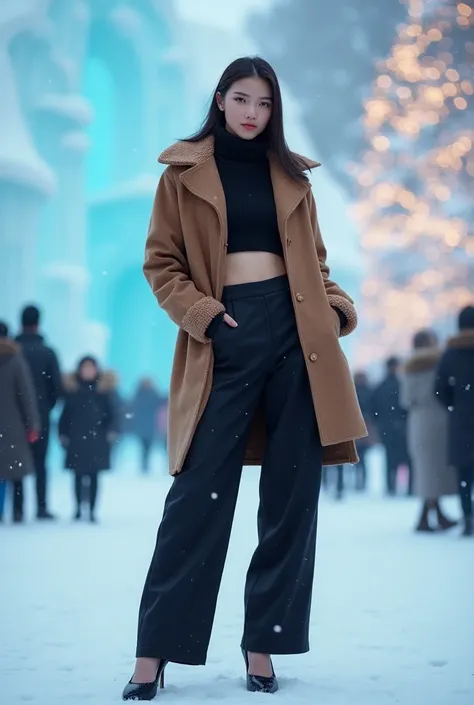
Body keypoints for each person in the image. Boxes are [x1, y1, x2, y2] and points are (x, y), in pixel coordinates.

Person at [122, 56, 367, 700]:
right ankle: (154, 654)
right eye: (241, 99)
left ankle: (264, 645)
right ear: (221, 100)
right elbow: (161, 263)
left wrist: (336, 307)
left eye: (263, 102)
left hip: (296, 337)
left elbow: (314, 262)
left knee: (291, 497)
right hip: (224, 335)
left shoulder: (292, 176)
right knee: (197, 497)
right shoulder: (183, 173)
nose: (252, 113)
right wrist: (202, 315)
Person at [400, 330, 458, 532]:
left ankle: (428, 516)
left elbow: (405, 400)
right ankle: (431, 516)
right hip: (441, 419)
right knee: (436, 471)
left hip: (419, 422)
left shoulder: (410, 367)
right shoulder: (442, 363)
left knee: (425, 471)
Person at [59, 356, 119, 523]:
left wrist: (111, 431)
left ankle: (92, 510)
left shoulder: (103, 392)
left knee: (94, 476)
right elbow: (65, 416)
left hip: (97, 440)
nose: (88, 371)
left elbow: (112, 415)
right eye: (85, 368)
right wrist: (62, 434)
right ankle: (78, 508)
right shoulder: (73, 392)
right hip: (76, 439)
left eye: (90, 368)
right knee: (78, 476)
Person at [16, 305, 62, 519]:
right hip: (41, 416)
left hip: (12, 419)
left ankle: (17, 509)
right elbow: (57, 388)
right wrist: (44, 408)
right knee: (40, 464)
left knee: (15, 463)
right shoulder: (47, 352)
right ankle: (41, 507)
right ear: (38, 323)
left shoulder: (13, 350)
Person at [435, 306, 474, 537]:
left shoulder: (450, 353)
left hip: (461, 422)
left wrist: (454, 406)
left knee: (465, 476)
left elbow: (438, 389)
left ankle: (468, 517)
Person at [0, 322, 40, 524]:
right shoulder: (15, 360)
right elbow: (26, 396)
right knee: (16, 472)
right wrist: (33, 424)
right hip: (13, 425)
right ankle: (17, 511)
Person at [371, 357, 412, 496]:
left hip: (387, 428)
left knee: (390, 459)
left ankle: (391, 487)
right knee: (404, 458)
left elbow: (374, 409)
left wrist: (380, 423)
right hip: (400, 428)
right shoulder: (401, 384)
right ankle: (407, 488)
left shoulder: (381, 386)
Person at [131, 378, 166, 473]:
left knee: (148, 446)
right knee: (144, 446)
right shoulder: (139, 394)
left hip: (150, 424)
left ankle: (145, 464)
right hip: (142, 425)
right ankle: (144, 464)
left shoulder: (152, 394)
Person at [353, 371, 375, 491]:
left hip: (356, 425)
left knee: (357, 456)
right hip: (365, 425)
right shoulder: (368, 390)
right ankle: (362, 482)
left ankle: (359, 482)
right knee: (362, 458)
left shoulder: (353, 389)